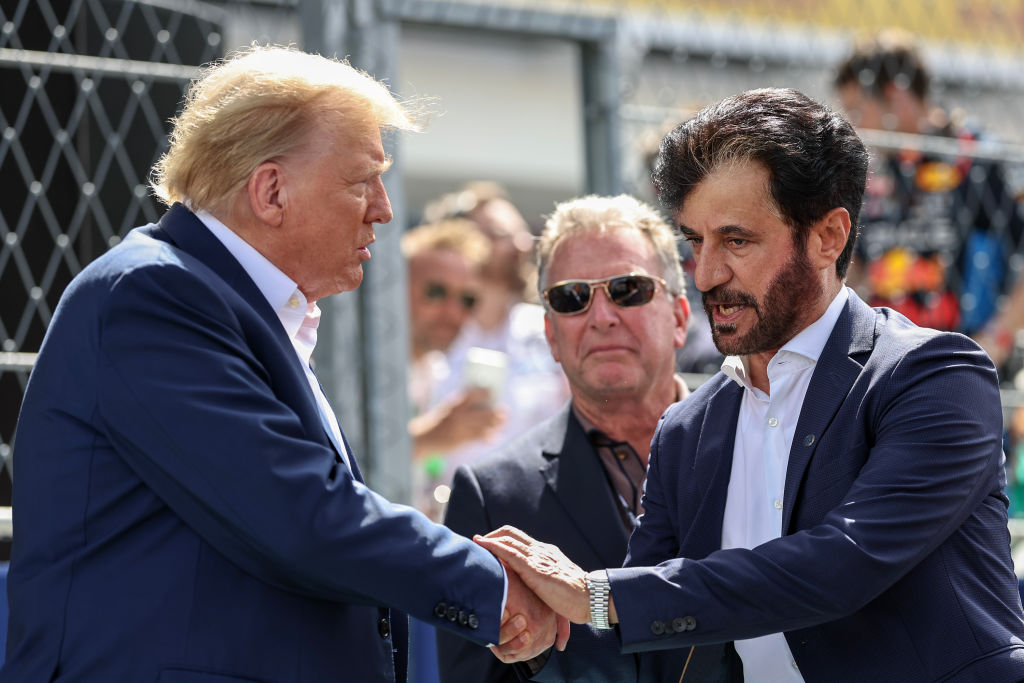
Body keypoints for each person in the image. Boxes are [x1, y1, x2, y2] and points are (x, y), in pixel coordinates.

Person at [1, 45, 562, 682]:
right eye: (362, 182)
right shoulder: (154, 294)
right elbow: (297, 511)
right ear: (271, 191)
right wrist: (494, 586)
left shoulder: (219, 301)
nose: (383, 208)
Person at [477, 88, 1024, 682]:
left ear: (828, 237)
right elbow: (647, 637)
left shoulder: (935, 376)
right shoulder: (687, 430)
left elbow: (841, 565)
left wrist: (597, 595)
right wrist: (539, 632)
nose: (706, 275)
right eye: (695, 241)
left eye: (736, 240)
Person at [437, 194, 692, 683]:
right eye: (571, 297)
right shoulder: (493, 498)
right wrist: (534, 654)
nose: (602, 316)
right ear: (551, 335)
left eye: (628, 289)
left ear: (680, 317)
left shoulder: (755, 444)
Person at [835, 28, 1024, 347]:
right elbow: (857, 265)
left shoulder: (976, 157)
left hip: (963, 354)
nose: (854, 126)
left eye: (857, 110)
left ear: (896, 95)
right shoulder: (873, 168)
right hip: (886, 356)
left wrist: (997, 341)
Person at [421, 183, 569, 507]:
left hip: (540, 514)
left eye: (521, 233)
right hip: (450, 516)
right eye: (501, 235)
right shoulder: (432, 333)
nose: (521, 245)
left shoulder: (550, 329)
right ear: (466, 246)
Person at [402, 218, 504, 518]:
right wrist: (432, 437)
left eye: (467, 299)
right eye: (436, 292)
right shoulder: (354, 367)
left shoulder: (434, 369)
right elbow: (339, 458)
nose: (453, 311)